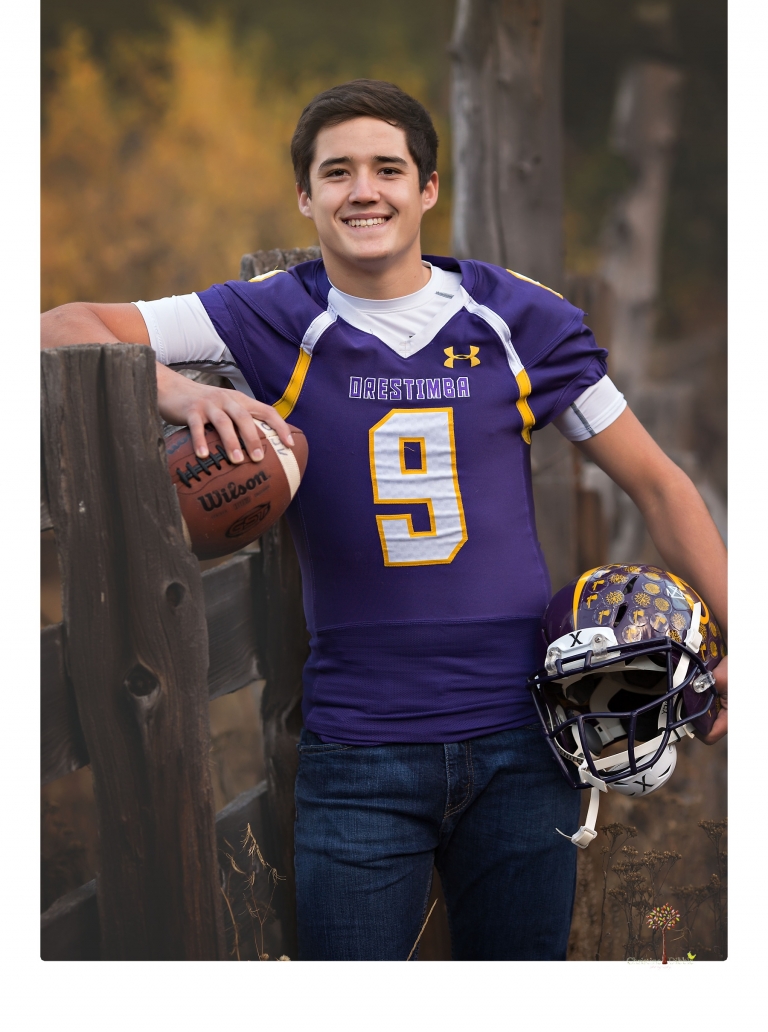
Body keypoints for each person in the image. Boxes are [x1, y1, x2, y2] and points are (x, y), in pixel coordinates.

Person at [40, 79, 727, 961]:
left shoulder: (517, 318)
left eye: (387, 169)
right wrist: (173, 390)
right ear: (305, 195)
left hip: (525, 742)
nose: (363, 191)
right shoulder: (268, 314)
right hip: (359, 752)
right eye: (337, 172)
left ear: (427, 188)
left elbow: (661, 485)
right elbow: (57, 325)